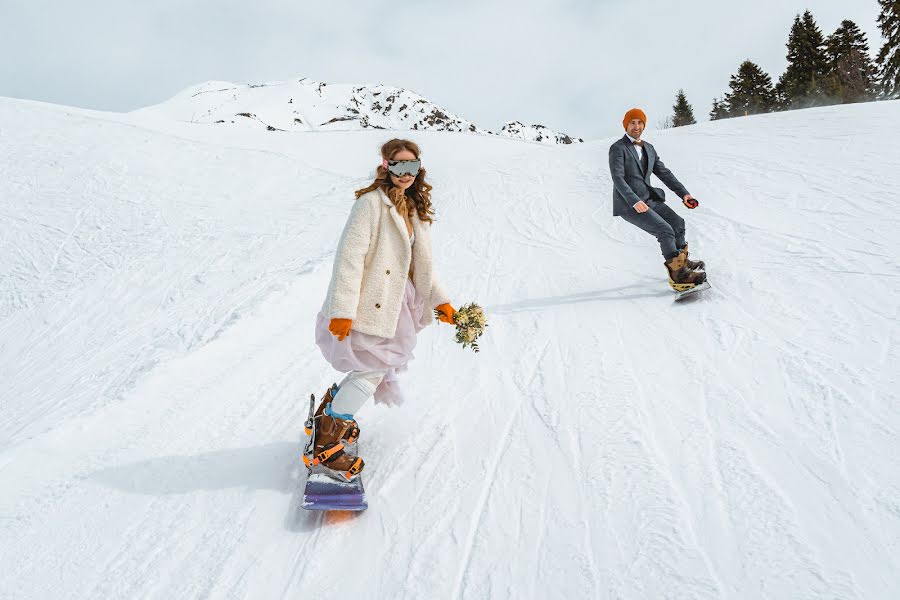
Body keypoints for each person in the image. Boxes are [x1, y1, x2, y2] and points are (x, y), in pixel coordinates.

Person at [307, 138, 456, 482]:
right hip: (368, 302)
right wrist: (343, 310)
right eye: (399, 166)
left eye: (412, 167)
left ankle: (328, 415)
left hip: (396, 304)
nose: (406, 173)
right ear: (386, 167)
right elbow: (349, 258)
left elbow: (423, 267)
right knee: (373, 369)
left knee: (372, 367)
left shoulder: (413, 209)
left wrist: (440, 301)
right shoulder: (370, 205)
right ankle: (325, 444)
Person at [608, 108, 707, 290]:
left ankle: (682, 263)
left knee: (677, 223)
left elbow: (664, 173)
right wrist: (633, 201)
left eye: (640, 123)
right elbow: (618, 178)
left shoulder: (649, 148)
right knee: (664, 230)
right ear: (626, 125)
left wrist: (684, 194)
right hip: (629, 204)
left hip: (649, 200)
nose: (636, 127)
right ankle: (679, 277)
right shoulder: (618, 148)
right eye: (632, 123)